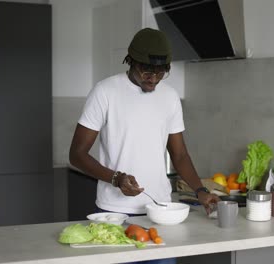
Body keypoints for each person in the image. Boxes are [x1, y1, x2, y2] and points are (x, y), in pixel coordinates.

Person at [69, 28, 220, 263]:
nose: (154, 79)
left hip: (160, 214)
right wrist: (116, 178)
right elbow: (77, 154)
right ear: (131, 62)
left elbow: (179, 154)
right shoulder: (105, 92)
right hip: (115, 214)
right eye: (147, 71)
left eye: (161, 73)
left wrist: (200, 191)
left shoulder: (169, 97)